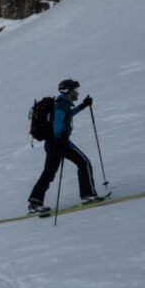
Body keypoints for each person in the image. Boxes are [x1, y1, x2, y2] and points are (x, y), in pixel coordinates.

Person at [28, 79, 103, 214]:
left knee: (48, 173)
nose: (76, 93)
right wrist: (59, 136)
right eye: (74, 91)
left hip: (51, 144)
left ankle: (35, 202)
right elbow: (57, 122)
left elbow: (68, 115)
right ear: (68, 92)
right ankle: (88, 195)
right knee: (84, 162)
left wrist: (83, 105)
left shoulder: (62, 103)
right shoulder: (62, 104)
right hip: (59, 142)